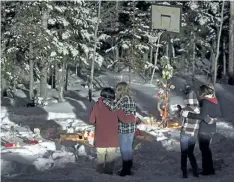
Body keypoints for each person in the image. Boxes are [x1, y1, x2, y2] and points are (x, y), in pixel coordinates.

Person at [89, 87, 135, 175]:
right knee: (110, 158)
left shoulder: (96, 106)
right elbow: (124, 119)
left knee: (100, 158)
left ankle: (99, 174)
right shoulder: (116, 106)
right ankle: (108, 173)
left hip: (100, 137)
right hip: (112, 137)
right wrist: (132, 117)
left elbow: (91, 120)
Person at [181, 84, 222, 175]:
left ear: (203, 92)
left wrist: (187, 115)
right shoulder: (214, 100)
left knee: (204, 150)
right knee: (207, 149)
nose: (199, 93)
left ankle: (207, 171)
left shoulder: (205, 101)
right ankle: (210, 169)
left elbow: (201, 116)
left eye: (200, 91)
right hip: (212, 128)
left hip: (204, 129)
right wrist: (211, 118)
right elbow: (219, 114)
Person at [103, 82, 137, 176]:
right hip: (132, 128)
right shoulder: (130, 99)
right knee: (128, 148)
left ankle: (125, 171)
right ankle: (128, 167)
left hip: (124, 128)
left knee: (123, 149)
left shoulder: (122, 99)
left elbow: (113, 108)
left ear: (121, 90)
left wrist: (105, 100)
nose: (116, 91)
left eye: (117, 89)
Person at [180, 89, 200, 178]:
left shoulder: (185, 109)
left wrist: (180, 109)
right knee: (191, 153)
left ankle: (184, 173)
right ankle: (195, 171)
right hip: (194, 134)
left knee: (184, 153)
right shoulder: (199, 109)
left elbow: (181, 117)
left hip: (185, 133)